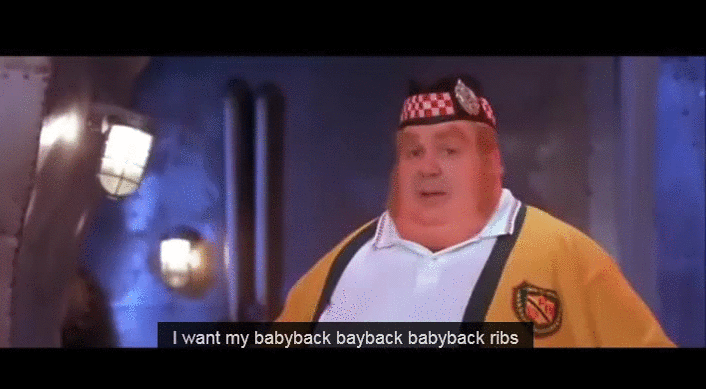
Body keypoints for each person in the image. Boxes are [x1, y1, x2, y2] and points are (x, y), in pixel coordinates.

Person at [276, 75, 675, 347]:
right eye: (414, 152)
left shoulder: (566, 257)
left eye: (449, 150)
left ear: (492, 162)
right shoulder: (343, 263)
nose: (428, 168)